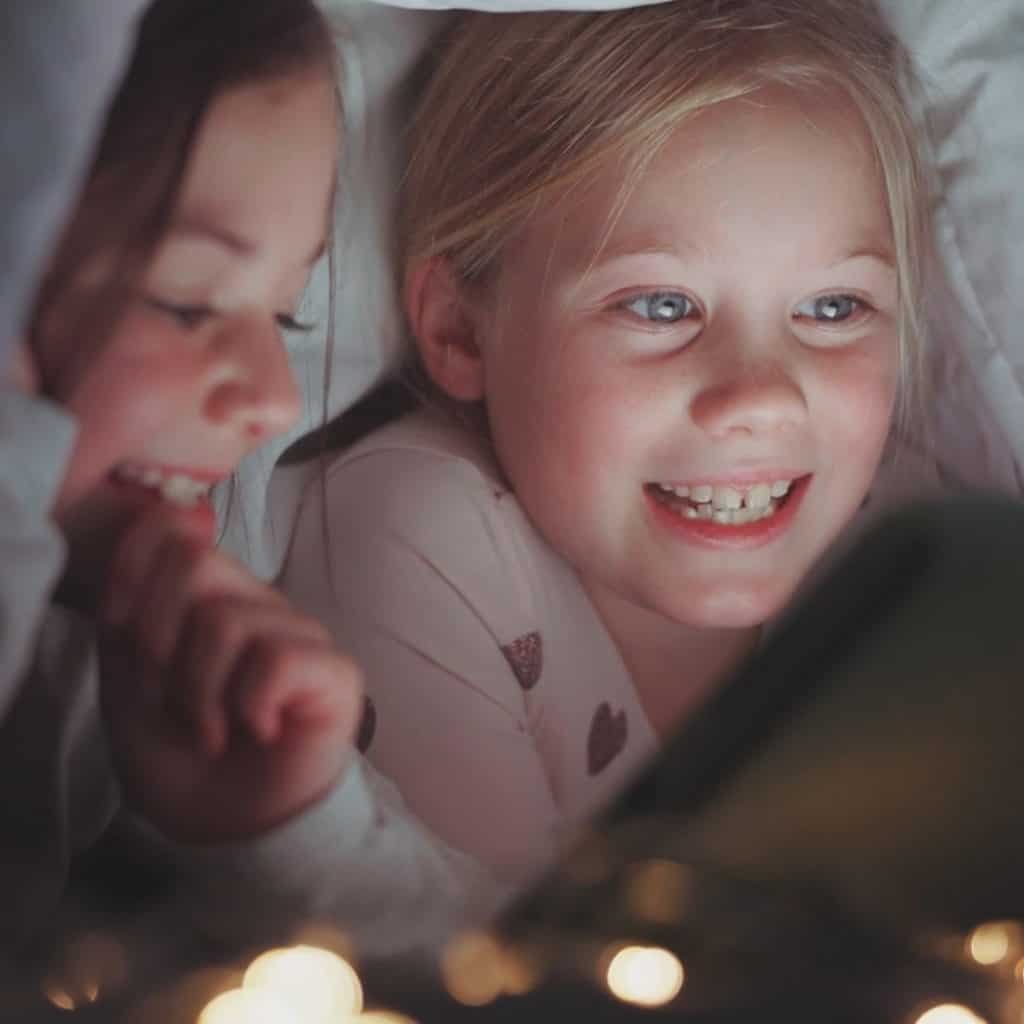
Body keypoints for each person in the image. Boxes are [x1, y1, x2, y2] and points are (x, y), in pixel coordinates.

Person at [280, 0, 932, 884]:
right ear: (461, 330)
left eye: (833, 307)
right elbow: (486, 952)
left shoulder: (915, 556)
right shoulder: (420, 532)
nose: (761, 397)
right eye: (661, 306)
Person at [0, 0, 489, 969]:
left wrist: (284, 829)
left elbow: (485, 980)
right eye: (186, 305)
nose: (273, 400)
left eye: (289, 317)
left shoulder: (160, 652)